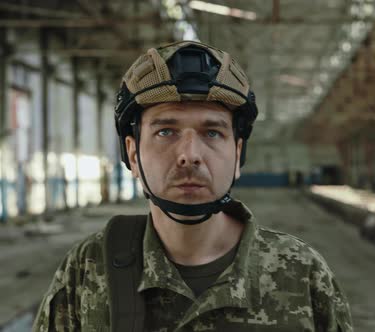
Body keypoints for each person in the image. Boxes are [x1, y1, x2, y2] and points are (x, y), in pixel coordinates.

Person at [33, 40, 353, 331]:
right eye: (165, 132)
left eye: (212, 133)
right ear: (132, 152)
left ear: (238, 152)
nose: (190, 155)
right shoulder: (88, 269)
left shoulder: (301, 272)